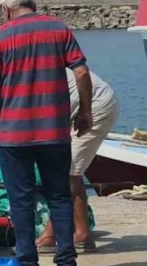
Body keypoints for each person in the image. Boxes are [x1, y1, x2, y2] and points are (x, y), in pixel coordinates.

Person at [0, 0, 93, 266]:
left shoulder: (0, 36)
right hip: (55, 133)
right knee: (60, 198)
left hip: (15, 136)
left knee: (21, 201)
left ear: (6, 9)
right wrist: (86, 111)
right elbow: (81, 72)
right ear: (31, 4)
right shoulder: (59, 29)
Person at [35, 69, 118, 253]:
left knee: (67, 176)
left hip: (95, 107)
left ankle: (50, 235)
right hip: (76, 109)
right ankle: (82, 235)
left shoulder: (31, 79)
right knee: (73, 170)